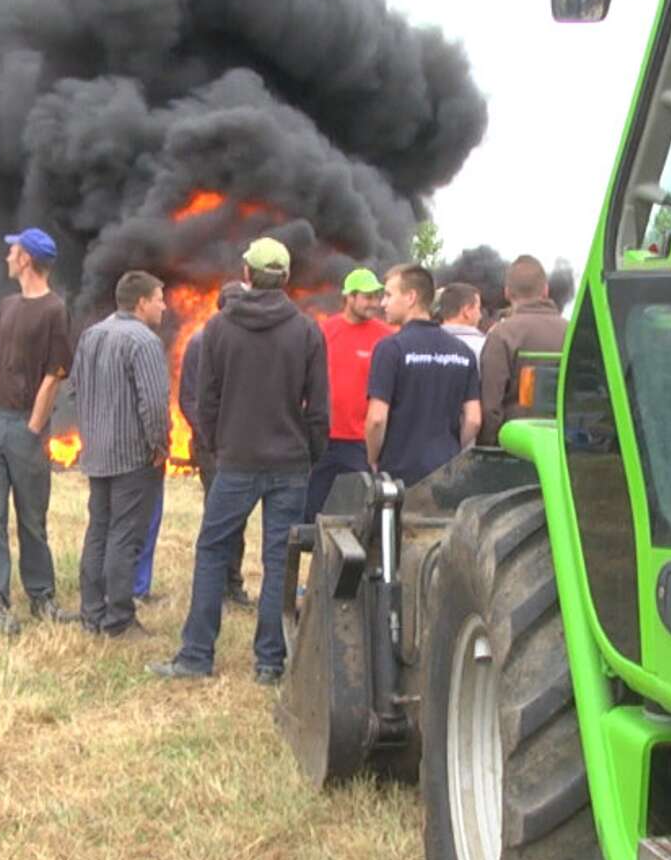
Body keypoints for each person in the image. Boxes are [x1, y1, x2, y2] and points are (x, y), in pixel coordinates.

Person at [151, 237, 328, 685]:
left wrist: (217, 445)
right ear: (285, 280)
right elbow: (318, 410)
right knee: (277, 563)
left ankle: (196, 657)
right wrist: (308, 455)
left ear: (247, 275)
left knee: (212, 553)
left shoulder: (218, 329)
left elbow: (204, 401)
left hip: (235, 463)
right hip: (289, 464)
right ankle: (269, 664)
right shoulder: (307, 331)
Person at [0, 227, 74, 635]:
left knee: (31, 518)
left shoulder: (53, 310)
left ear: (26, 259)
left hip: (22, 426)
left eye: (12, 250)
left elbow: (55, 374)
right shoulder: (6, 305)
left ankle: (42, 598)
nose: (7, 256)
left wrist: (32, 428)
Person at [71, 270, 173, 639]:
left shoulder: (91, 334)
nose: (164, 305)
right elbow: (155, 404)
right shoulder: (143, 341)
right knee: (125, 536)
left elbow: (77, 389)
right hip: (133, 457)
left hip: (97, 453)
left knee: (98, 530)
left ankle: (91, 612)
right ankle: (118, 620)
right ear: (142, 302)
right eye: (160, 298)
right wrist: (159, 446)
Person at [146, 280, 251, 608]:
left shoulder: (251, 344)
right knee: (219, 517)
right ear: (222, 306)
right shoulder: (201, 343)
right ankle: (216, 587)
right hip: (212, 448)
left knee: (239, 518)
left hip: (242, 446)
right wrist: (210, 438)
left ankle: (233, 585)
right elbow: (189, 398)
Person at [365, 264, 480, 486]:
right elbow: (473, 419)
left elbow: (377, 419)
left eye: (388, 295)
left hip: (398, 474)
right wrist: (452, 451)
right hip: (446, 474)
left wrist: (372, 459)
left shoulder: (390, 349)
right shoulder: (463, 352)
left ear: (411, 297)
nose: (383, 303)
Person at [303, 267, 391, 519]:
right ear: (349, 297)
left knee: (359, 515)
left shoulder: (385, 337)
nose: (374, 303)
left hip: (362, 442)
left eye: (377, 296)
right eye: (367, 297)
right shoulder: (323, 332)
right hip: (324, 439)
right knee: (311, 513)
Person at [478, 254, 569, 445]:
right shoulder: (573, 332)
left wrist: (490, 447)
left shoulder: (501, 335)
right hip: (564, 449)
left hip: (515, 448)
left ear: (507, 293)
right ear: (545, 290)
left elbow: (490, 407)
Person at [436, 282, 486, 359]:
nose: (480, 315)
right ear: (467, 311)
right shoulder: (484, 347)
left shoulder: (425, 344)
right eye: (478, 308)